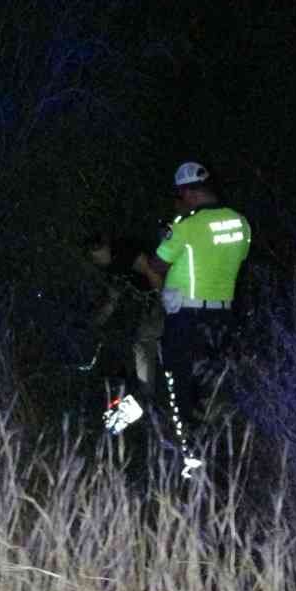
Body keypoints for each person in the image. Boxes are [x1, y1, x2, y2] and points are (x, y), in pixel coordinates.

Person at [143, 161, 251, 476]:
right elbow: (236, 258)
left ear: (187, 192)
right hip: (224, 318)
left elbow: (157, 265)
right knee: (215, 387)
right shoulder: (240, 222)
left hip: (187, 320)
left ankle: (193, 461)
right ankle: (224, 457)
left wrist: (166, 239)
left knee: (181, 389)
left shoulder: (185, 227)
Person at [81, 231, 164, 408]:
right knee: (136, 342)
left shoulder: (125, 252)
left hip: (164, 298)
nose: (97, 257)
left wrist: (163, 303)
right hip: (141, 308)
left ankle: (150, 394)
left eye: (99, 250)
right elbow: (112, 299)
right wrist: (97, 323)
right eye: (92, 254)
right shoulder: (107, 270)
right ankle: (144, 393)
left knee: (145, 339)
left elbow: (152, 272)